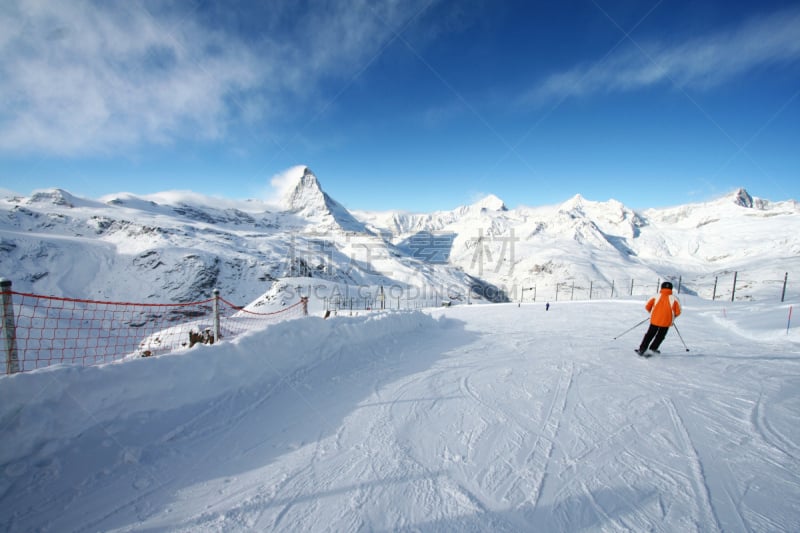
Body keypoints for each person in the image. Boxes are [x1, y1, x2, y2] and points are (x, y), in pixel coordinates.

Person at [637, 281, 681, 357]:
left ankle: (642, 349)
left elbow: (647, 306)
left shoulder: (655, 296)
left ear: (661, 287)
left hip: (655, 320)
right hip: (667, 321)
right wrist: (672, 317)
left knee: (649, 335)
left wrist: (653, 313)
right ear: (671, 289)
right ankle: (652, 350)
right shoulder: (675, 299)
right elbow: (678, 312)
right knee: (660, 336)